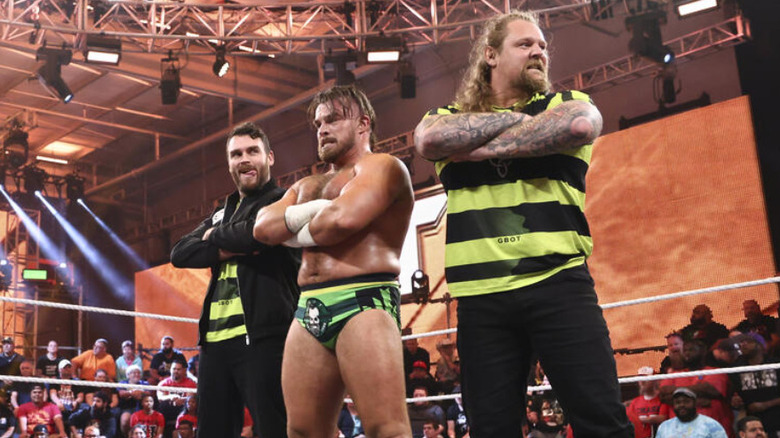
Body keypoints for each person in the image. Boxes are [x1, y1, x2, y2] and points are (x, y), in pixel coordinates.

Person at [413, 9, 630, 438]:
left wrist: (474, 144)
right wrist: (530, 130)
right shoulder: (445, 113)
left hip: (558, 282)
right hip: (480, 298)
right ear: (490, 55)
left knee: (602, 421)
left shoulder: (565, 103)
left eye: (543, 46)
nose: (539, 52)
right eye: (525, 44)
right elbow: (429, 140)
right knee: (491, 429)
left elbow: (580, 125)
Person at [253, 84, 414, 438]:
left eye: (334, 119)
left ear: (363, 124)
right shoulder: (307, 184)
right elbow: (263, 228)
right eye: (318, 123)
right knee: (302, 431)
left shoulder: (384, 167)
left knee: (386, 429)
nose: (323, 129)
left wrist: (293, 226)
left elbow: (340, 222)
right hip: (308, 308)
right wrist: (318, 214)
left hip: (365, 299)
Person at [170, 121, 301, 438]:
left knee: (275, 429)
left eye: (252, 151)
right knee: (212, 432)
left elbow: (258, 237)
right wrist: (232, 243)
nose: (244, 159)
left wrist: (215, 238)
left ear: (269, 157)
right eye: (236, 153)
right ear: (229, 163)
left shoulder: (282, 200)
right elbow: (180, 252)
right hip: (215, 343)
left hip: (265, 338)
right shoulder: (221, 210)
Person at [659, 340, 733, 436]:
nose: (687, 353)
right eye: (685, 350)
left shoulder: (715, 372)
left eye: (691, 350)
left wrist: (677, 392)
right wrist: (701, 400)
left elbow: (710, 390)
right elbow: (663, 395)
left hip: (712, 431)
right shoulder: (675, 375)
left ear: (702, 352)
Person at [729, 333, 780, 437]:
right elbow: (734, 393)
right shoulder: (738, 368)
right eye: (741, 342)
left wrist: (766, 404)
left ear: (760, 345)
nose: (743, 344)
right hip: (753, 423)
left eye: (748, 341)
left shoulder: (775, 364)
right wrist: (736, 399)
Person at [656, 388, 727, 438]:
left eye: (686, 401)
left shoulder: (711, 425)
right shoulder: (665, 427)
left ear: (695, 403)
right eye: (678, 402)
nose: (682, 405)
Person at [156, 360, 196, 437]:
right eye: (174, 369)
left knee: (190, 404)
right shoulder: (164, 383)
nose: (176, 371)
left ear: (184, 371)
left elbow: (190, 397)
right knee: (163, 405)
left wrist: (181, 399)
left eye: (178, 369)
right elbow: (160, 397)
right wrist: (170, 397)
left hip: (183, 409)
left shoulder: (190, 383)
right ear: (170, 370)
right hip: (168, 410)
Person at [626, 366, 669, 438]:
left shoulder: (662, 399)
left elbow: (663, 418)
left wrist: (640, 420)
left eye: (645, 379)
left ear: (654, 380)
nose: (642, 382)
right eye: (639, 379)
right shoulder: (634, 402)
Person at [118, 364, 152, 437]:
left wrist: (140, 392)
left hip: (142, 408)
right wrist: (132, 393)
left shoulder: (144, 383)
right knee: (125, 420)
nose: (136, 374)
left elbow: (149, 393)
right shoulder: (123, 383)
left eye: (138, 373)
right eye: (134, 373)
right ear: (128, 375)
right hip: (127, 408)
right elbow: (121, 393)